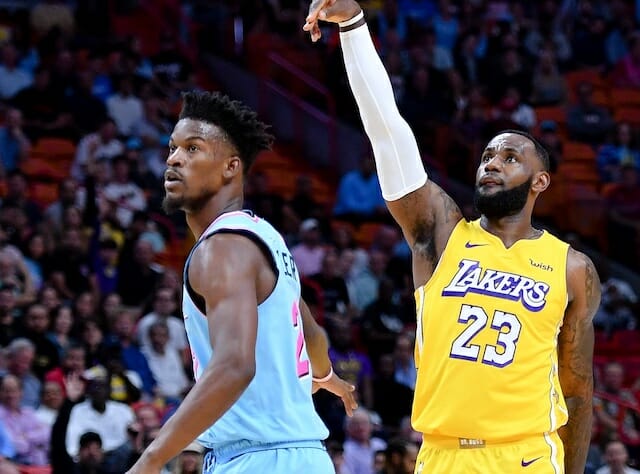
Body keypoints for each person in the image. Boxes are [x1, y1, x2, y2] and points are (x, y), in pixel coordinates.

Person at [305, 3, 601, 473]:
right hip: (442, 454)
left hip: (527, 455)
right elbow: (387, 131)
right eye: (487, 157)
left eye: (510, 158)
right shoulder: (441, 235)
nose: (492, 163)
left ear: (540, 181)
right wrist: (353, 26)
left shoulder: (572, 267)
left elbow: (578, 389)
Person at [126, 91, 356, 474]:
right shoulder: (265, 237)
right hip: (307, 457)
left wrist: (149, 462)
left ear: (231, 167)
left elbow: (235, 366)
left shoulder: (221, 248)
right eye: (172, 148)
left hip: (257, 459)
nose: (174, 159)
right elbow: (312, 334)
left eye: (192, 148)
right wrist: (326, 376)